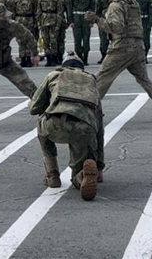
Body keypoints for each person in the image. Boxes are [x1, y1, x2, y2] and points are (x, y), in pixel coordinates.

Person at [86, 0, 152, 123]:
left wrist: (97, 19)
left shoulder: (115, 5)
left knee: (102, 77)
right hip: (138, 46)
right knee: (144, 80)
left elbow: (116, 28)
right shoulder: (133, 2)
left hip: (121, 47)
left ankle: (91, 110)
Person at [30, 53, 102, 200]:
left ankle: (52, 176)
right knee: (78, 166)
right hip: (84, 127)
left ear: (64, 66)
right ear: (82, 68)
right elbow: (99, 127)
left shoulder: (54, 75)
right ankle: (82, 176)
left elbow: (34, 108)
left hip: (55, 123)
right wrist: (99, 164)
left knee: (41, 121)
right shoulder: (91, 80)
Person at [67, 0, 95, 65]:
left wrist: (91, 21)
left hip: (86, 18)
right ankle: (79, 58)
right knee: (77, 39)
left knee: (86, 39)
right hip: (76, 19)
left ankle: (85, 58)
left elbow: (93, 8)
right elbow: (69, 8)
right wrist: (70, 21)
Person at [12, 0, 36, 67]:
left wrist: (36, 22)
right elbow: (13, 11)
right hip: (19, 20)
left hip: (29, 19)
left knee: (29, 40)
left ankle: (29, 58)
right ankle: (22, 58)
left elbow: (36, 10)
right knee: (20, 40)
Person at [37, 0, 61, 67]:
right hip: (44, 22)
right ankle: (48, 59)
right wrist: (39, 23)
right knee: (45, 41)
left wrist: (58, 24)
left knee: (53, 41)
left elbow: (59, 12)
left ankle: (54, 58)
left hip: (53, 21)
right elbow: (38, 12)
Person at [133, 0, 152, 64]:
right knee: (135, 40)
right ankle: (137, 58)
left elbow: (151, 10)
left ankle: (144, 56)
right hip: (135, 21)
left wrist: (151, 21)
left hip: (145, 20)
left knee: (146, 40)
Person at [53, 0, 69, 65]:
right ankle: (54, 57)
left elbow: (68, 11)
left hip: (61, 22)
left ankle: (60, 56)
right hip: (51, 22)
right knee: (53, 40)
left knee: (61, 40)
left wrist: (69, 21)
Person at [94, 0, 110, 64]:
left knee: (116, 40)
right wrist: (98, 20)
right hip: (103, 19)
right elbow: (97, 9)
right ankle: (104, 55)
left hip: (114, 19)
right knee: (103, 39)